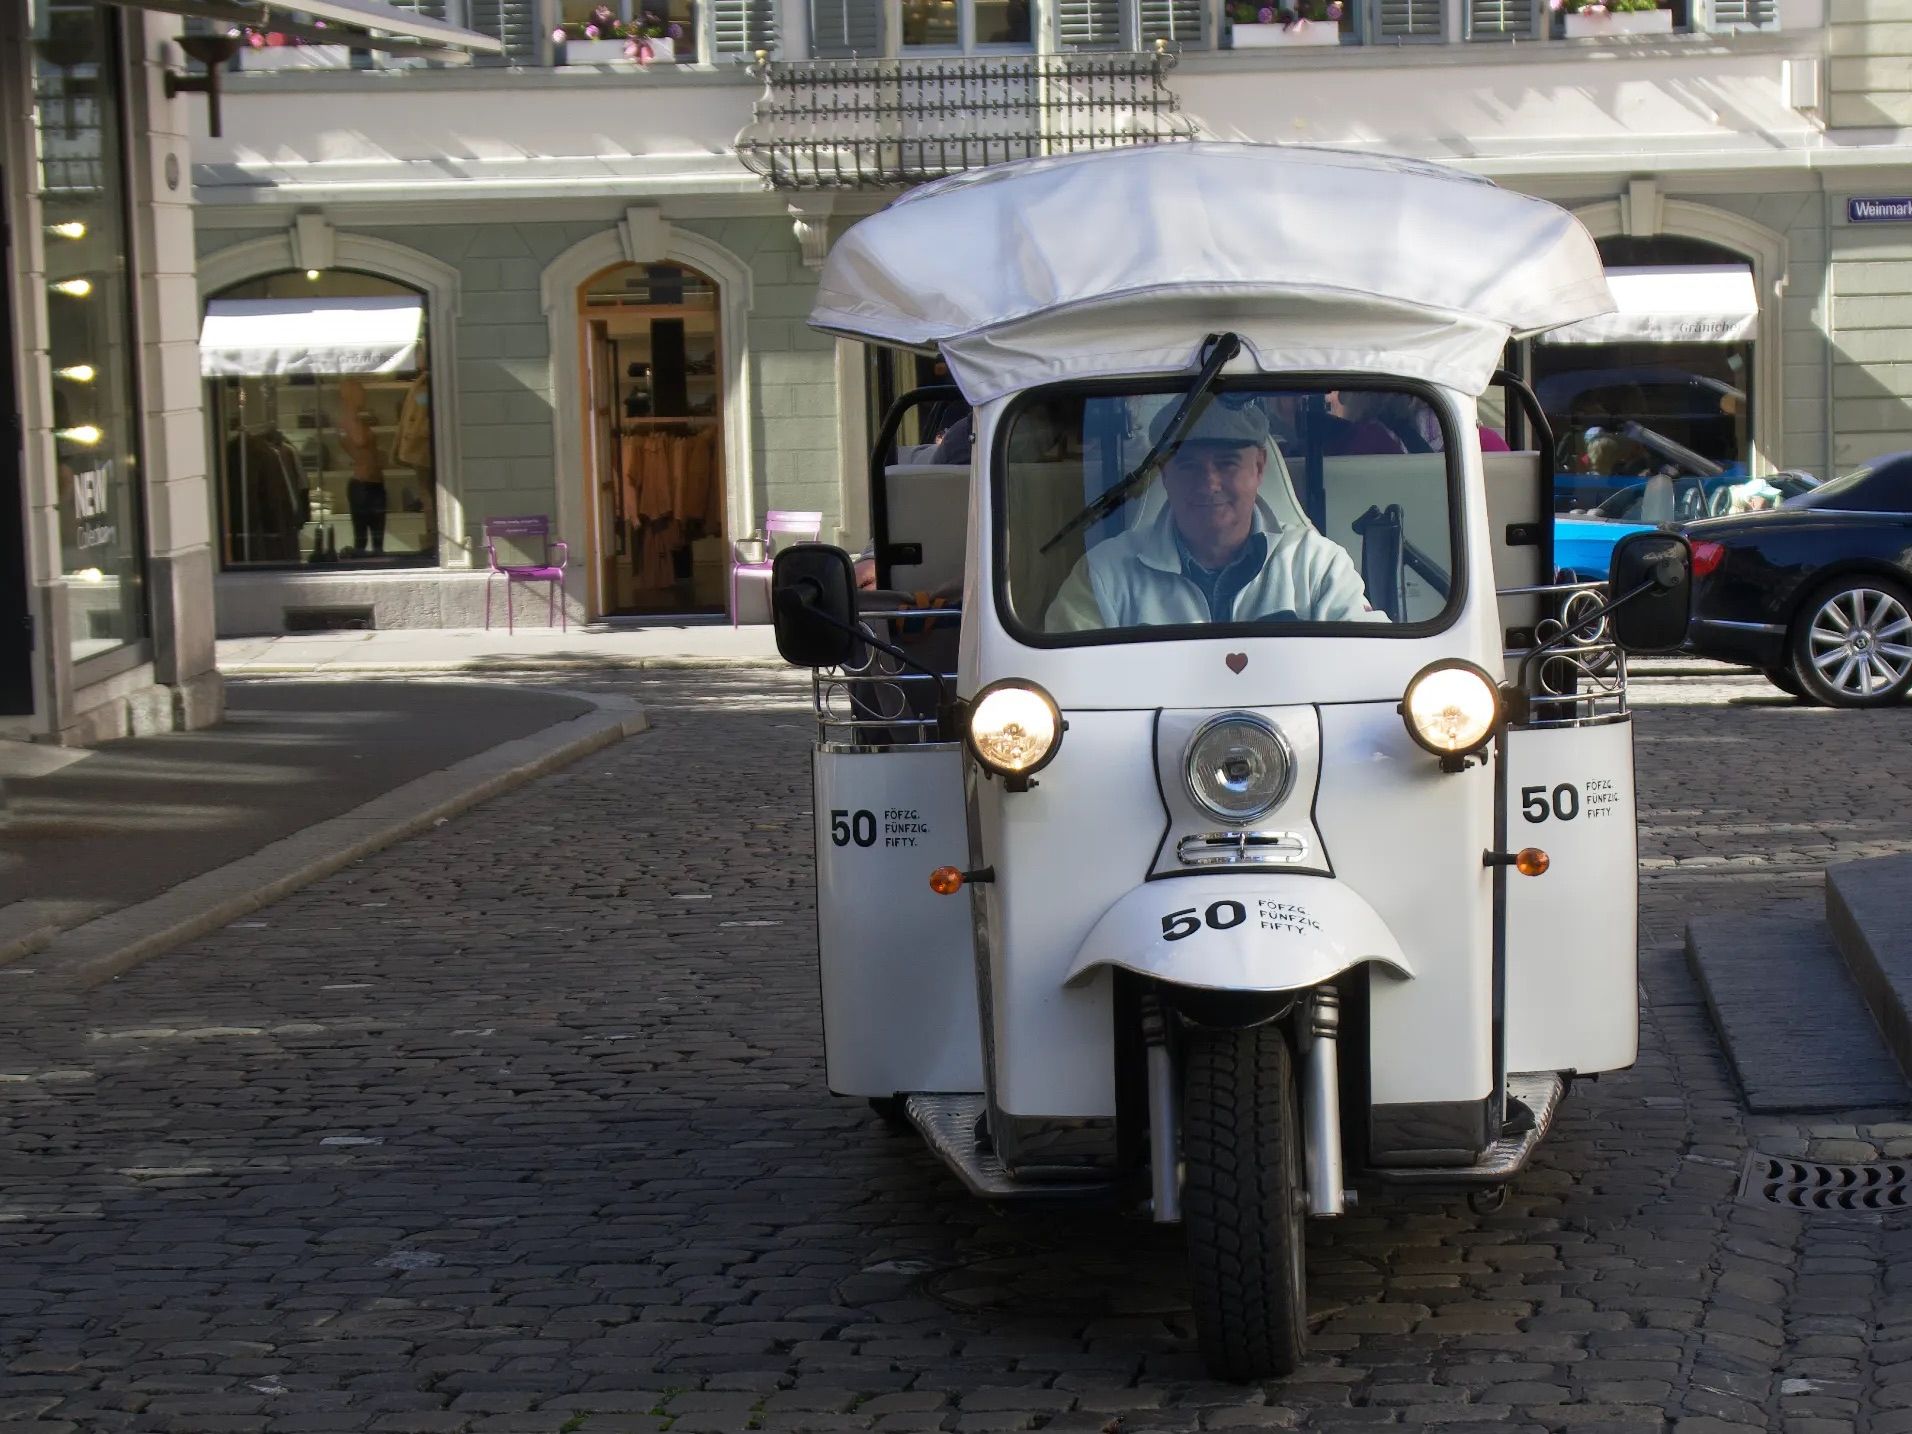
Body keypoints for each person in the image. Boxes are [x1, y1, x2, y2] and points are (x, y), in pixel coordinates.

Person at [1044, 395, 1383, 632]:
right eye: (1188, 465)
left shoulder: (1317, 567)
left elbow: (1371, 665)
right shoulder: (1103, 575)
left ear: (1259, 467)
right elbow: (1063, 686)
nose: (1209, 483)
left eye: (1226, 464)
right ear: (1165, 473)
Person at [336, 377, 387, 556]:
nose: (364, 395)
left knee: (378, 538)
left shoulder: (357, 420)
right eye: (359, 391)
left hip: (375, 483)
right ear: (348, 394)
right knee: (361, 539)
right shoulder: (348, 421)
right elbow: (357, 440)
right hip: (362, 484)